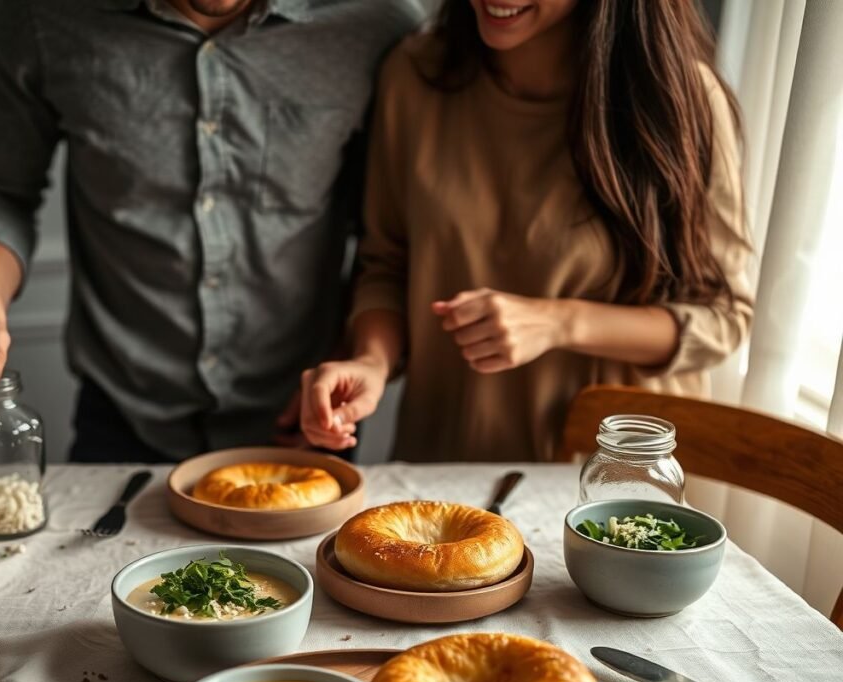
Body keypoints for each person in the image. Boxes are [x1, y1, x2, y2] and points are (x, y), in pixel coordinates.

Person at [0, 0, 425, 462]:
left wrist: (352, 361)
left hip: (307, 411)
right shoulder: (40, 15)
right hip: (123, 417)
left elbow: (387, 234)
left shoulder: (378, 21)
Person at [299, 0, 753, 462]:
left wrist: (559, 322)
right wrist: (371, 363)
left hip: (611, 487)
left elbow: (723, 316)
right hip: (446, 468)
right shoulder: (413, 77)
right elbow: (388, 266)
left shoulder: (681, 97)